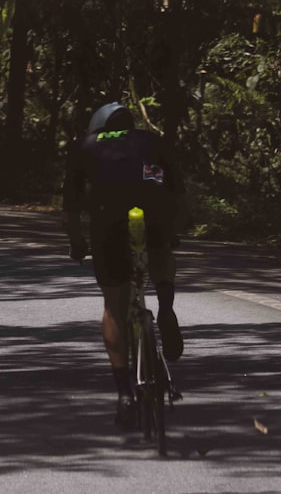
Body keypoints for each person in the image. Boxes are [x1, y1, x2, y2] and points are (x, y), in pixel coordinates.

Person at [61, 101, 185, 429]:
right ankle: (166, 304)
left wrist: (77, 243)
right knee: (161, 253)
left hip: (109, 224)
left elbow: (70, 210)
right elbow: (177, 191)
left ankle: (124, 393)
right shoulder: (153, 140)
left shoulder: (85, 146)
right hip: (155, 214)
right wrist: (173, 232)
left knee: (114, 306)